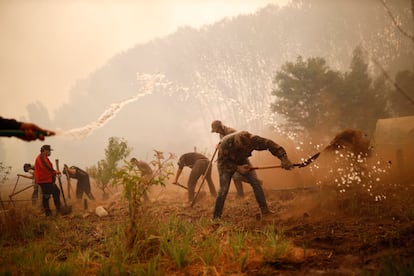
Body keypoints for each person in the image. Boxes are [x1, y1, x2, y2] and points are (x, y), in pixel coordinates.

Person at [213, 131, 295, 219]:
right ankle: (216, 217)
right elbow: (223, 163)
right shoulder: (225, 144)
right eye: (241, 148)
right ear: (236, 143)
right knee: (223, 190)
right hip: (226, 163)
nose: (244, 149)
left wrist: (283, 158)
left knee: (256, 182)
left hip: (242, 160)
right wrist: (237, 168)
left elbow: (269, 144)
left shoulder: (254, 139)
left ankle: (265, 210)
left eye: (246, 148)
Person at [211, 120, 245, 198]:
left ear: (221, 127)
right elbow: (223, 146)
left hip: (238, 155)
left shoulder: (231, 132)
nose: (216, 132)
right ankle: (240, 194)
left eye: (216, 130)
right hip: (231, 156)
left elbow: (236, 145)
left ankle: (254, 182)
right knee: (235, 174)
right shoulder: (221, 134)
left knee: (237, 175)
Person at [34, 145, 62, 216]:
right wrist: (55, 172)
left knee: (47, 195)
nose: (50, 152)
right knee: (55, 192)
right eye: (49, 151)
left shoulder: (44, 157)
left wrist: (54, 172)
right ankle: (56, 209)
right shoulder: (41, 158)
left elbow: (48, 167)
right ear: (45, 150)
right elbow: (46, 168)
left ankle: (49, 211)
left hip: (46, 180)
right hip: (44, 180)